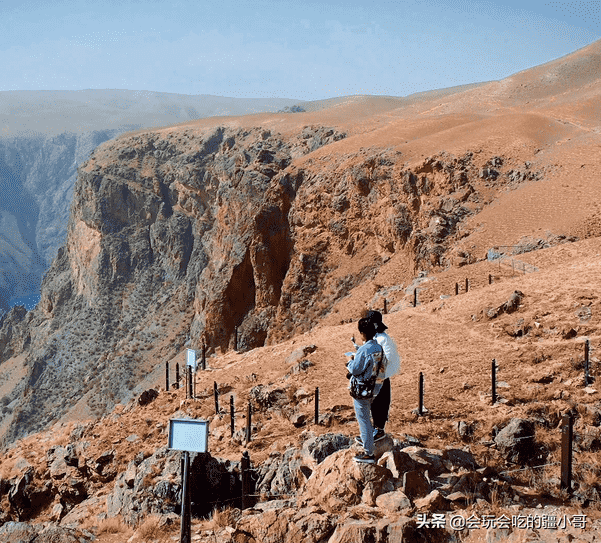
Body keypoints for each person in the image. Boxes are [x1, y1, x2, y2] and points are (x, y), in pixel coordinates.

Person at [346, 317, 385, 464]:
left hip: (361, 389)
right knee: (367, 418)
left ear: (362, 333)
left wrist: (350, 361)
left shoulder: (364, 350)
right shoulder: (378, 348)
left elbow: (355, 369)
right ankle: (368, 441)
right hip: (373, 388)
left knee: (363, 419)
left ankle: (368, 453)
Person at [367, 310, 401, 439]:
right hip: (375, 375)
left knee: (381, 403)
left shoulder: (384, 339)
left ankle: (379, 429)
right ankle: (375, 429)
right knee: (374, 403)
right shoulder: (375, 338)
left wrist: (375, 361)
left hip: (382, 375)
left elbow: (389, 357)